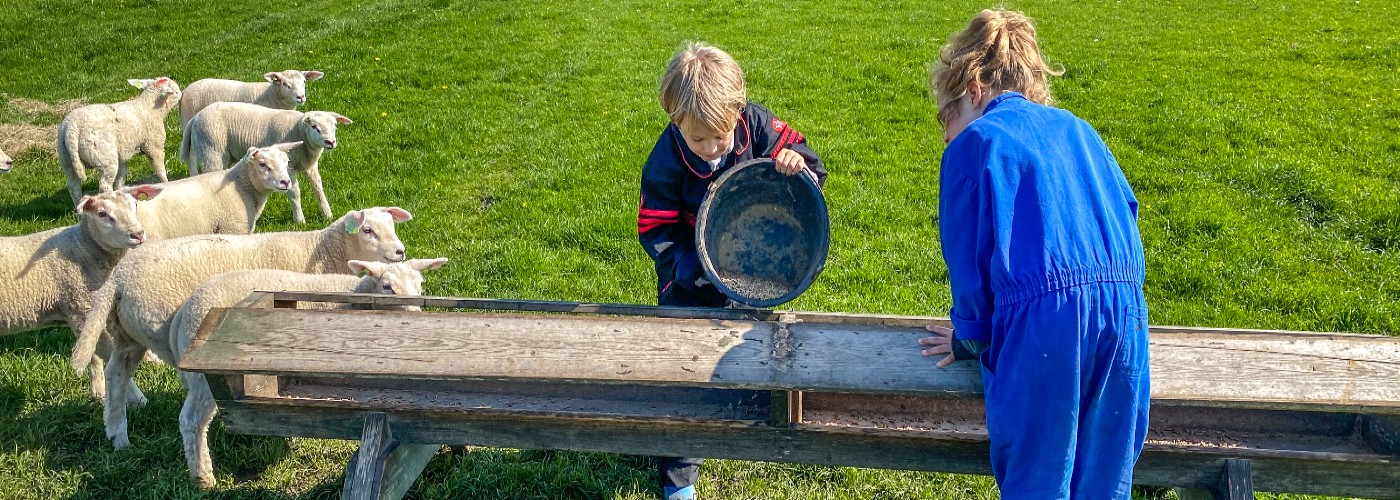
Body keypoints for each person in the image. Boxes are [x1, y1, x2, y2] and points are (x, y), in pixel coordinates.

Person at [917, 9, 1151, 499]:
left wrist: (969, 337)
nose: (945, 133)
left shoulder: (974, 146)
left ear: (974, 88)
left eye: (946, 116)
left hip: (1046, 322)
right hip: (1124, 312)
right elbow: (1127, 211)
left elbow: (971, 274)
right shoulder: (1080, 130)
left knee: (1039, 475)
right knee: (1106, 474)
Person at [636, 41, 825, 500]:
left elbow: (810, 163)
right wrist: (691, 268)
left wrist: (795, 161)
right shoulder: (665, 163)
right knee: (689, 378)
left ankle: (754, 407)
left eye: (718, 137)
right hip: (690, 285)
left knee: (753, 343)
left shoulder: (755, 123)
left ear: (737, 114)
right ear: (673, 120)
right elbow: (655, 230)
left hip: (755, 265)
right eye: (696, 139)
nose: (709, 148)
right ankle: (679, 476)